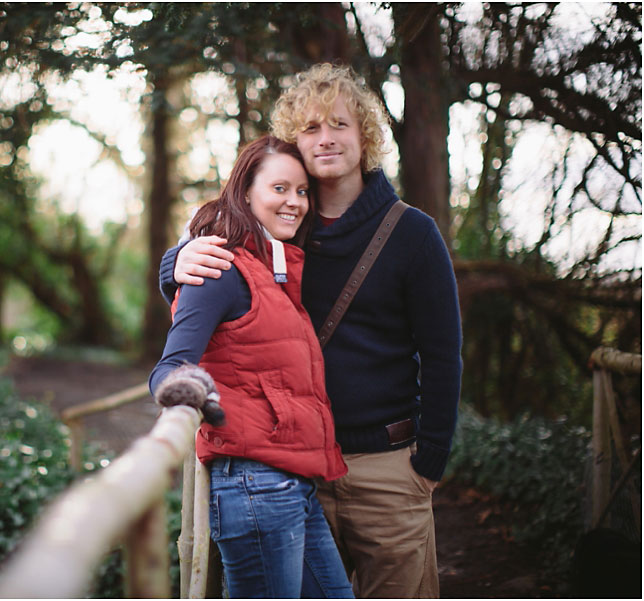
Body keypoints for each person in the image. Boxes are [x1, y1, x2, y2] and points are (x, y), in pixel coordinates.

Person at [159, 63, 463, 598]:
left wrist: (428, 461)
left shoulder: (413, 234)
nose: (326, 139)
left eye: (340, 125)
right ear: (294, 143)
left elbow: (443, 355)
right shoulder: (280, 225)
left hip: (387, 469)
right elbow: (220, 262)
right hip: (291, 470)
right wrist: (176, 261)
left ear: (365, 137)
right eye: (311, 128)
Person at [150, 135, 355, 599]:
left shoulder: (276, 271)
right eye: (280, 188)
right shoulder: (219, 265)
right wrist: (190, 396)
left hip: (292, 483)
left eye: (302, 191)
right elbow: (171, 367)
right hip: (254, 485)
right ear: (245, 192)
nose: (295, 202)